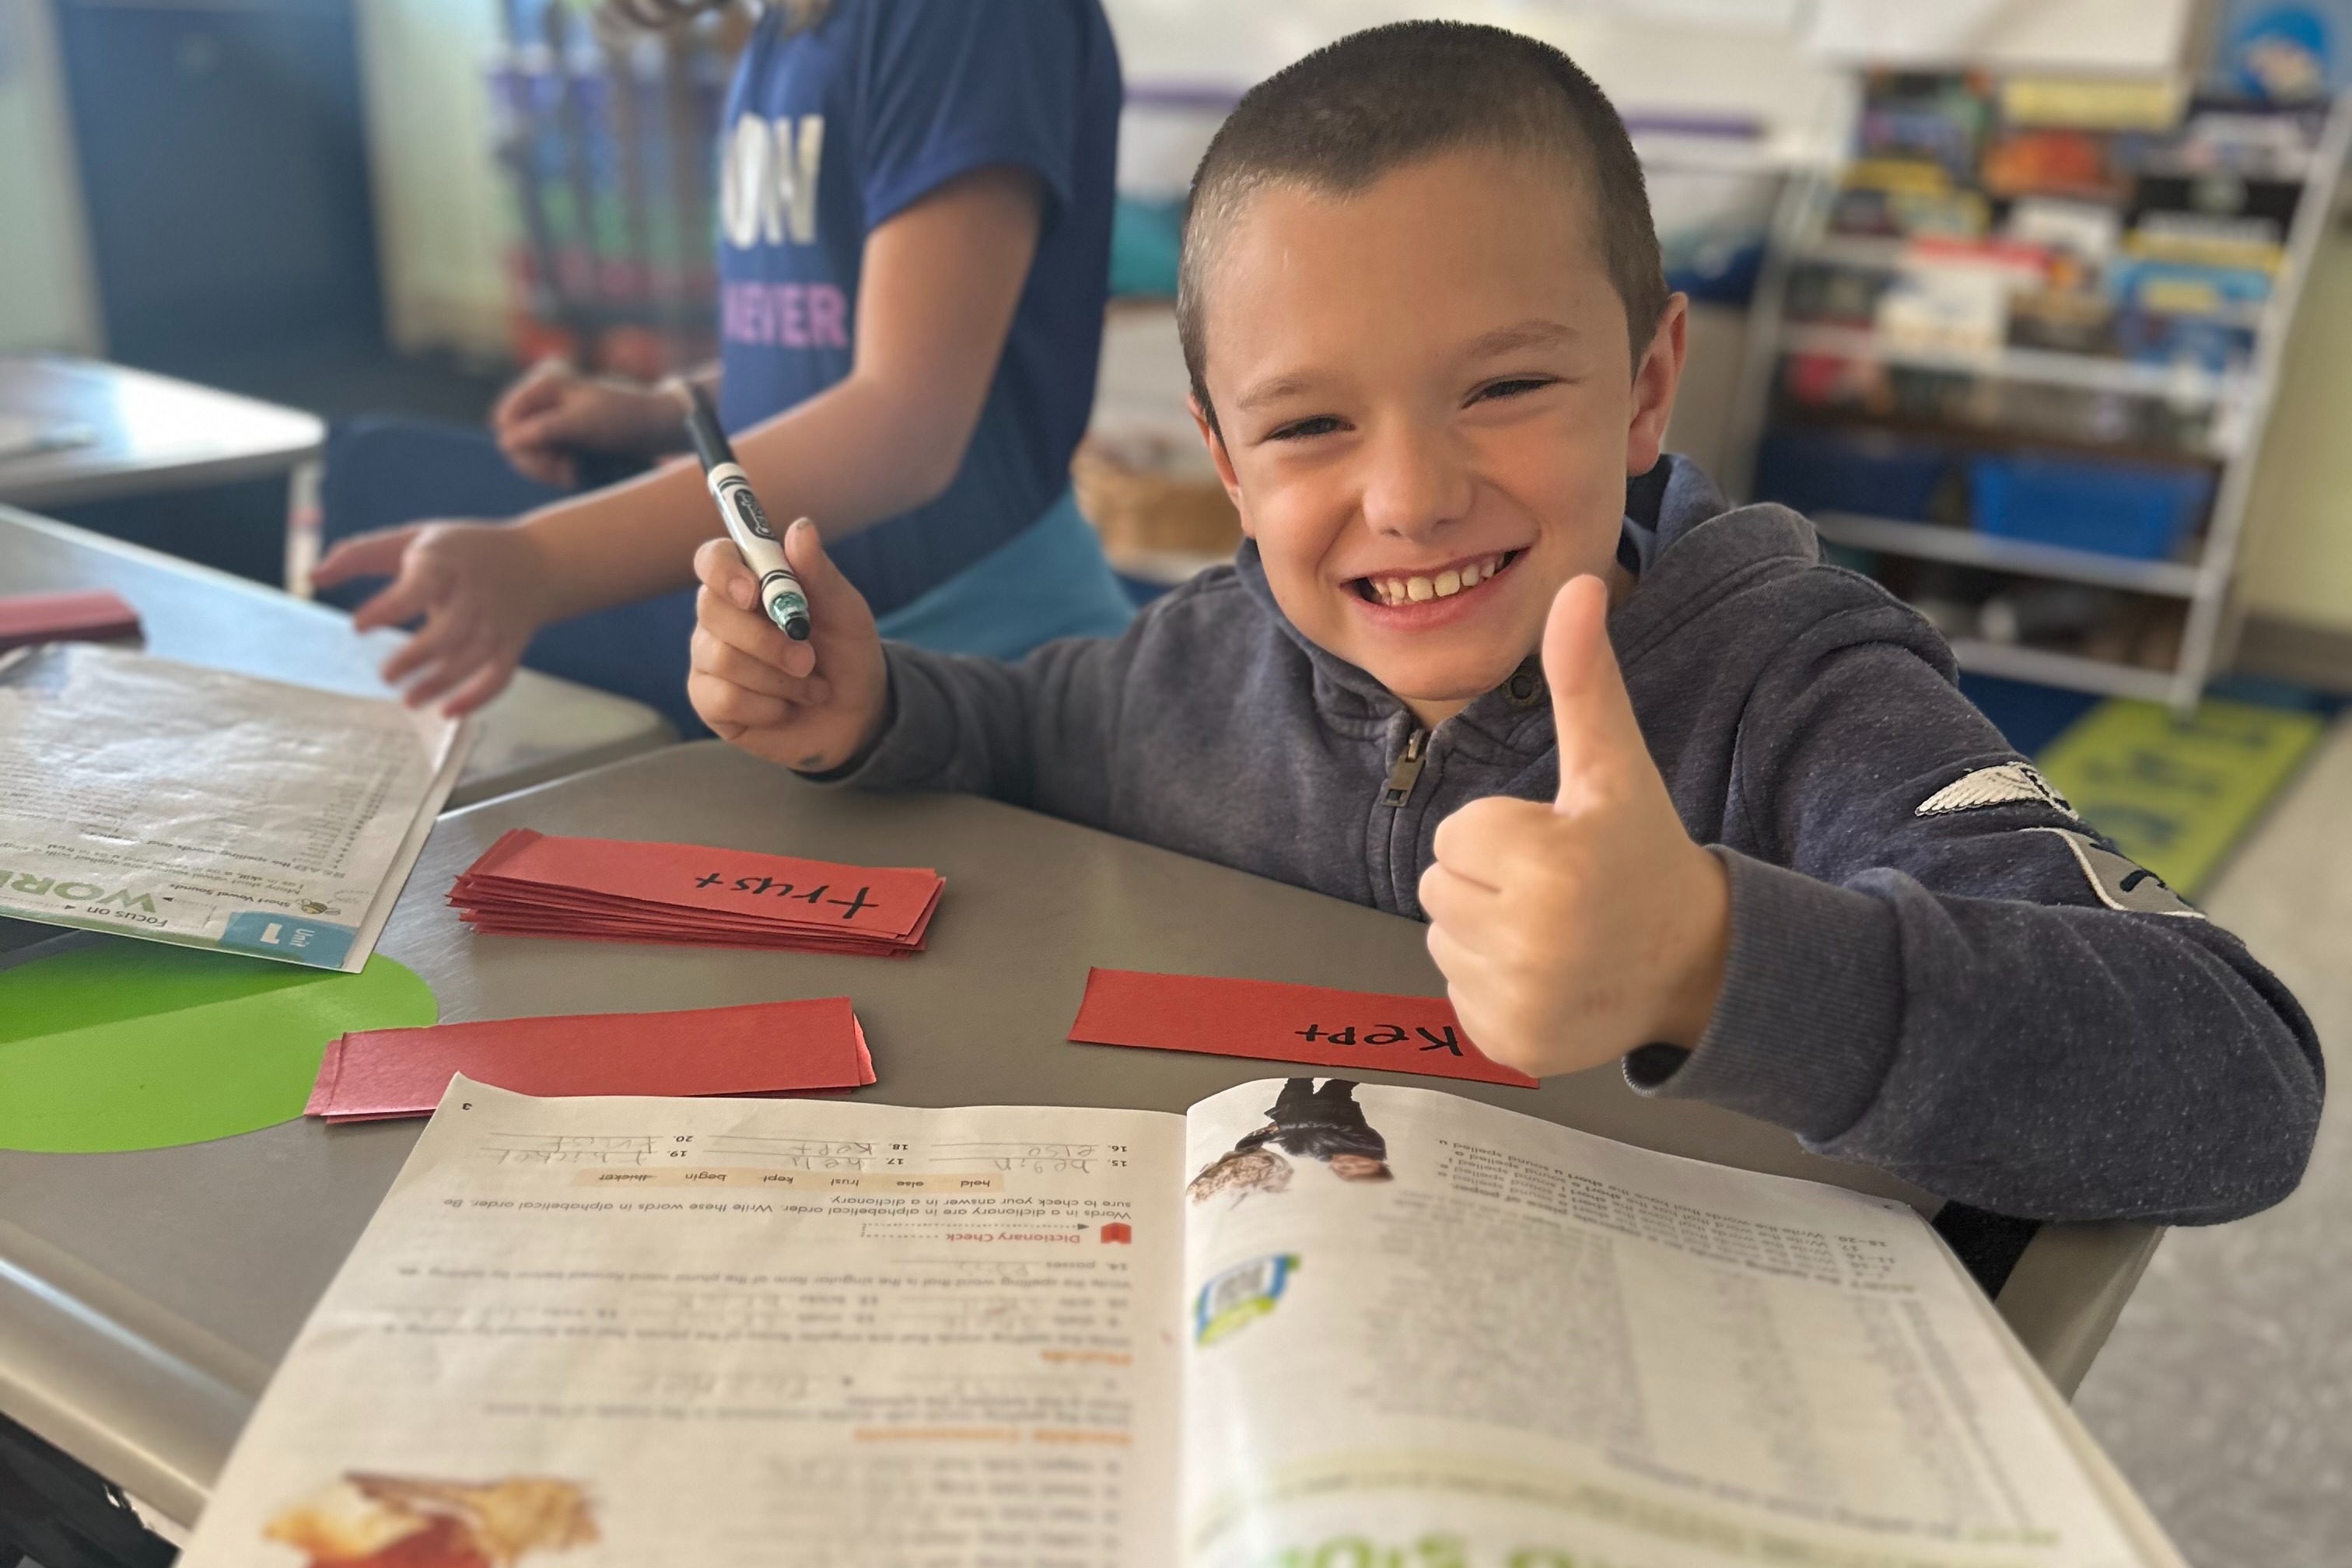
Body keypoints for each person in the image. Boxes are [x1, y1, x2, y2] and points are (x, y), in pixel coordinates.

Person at [679, 22, 2322, 1230]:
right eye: (1309, 427)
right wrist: (873, 708)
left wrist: (1714, 961)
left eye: (1508, 385)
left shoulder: (1802, 692)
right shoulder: (1195, 662)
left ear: (1648, 386)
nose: (1409, 496)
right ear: (1224, 461)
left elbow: (2239, 1085)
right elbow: (1030, 730)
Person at [311, 0, 1135, 724]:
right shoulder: (795, 27)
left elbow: (905, 426)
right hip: (815, 670)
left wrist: (537, 563)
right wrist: (661, 408)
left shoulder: (962, 18)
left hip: (984, 674)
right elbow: (823, 356)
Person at [1234, 1079, 1394, 1182]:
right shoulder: (1372, 1144)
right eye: (1361, 1165)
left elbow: (1289, 1142)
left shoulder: (1316, 1155)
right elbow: (1330, 1123)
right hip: (1331, 1104)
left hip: (1293, 1108)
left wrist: (1259, 1140)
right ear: (1377, 1163)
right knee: (1338, 1083)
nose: (1347, 1164)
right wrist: (1282, 1126)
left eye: (1345, 1171)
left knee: (1299, 1076)